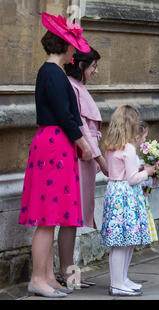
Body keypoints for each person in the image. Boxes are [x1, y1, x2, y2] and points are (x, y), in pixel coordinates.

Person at [18, 12, 92, 298]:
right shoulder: (51, 72)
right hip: (53, 145)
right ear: (64, 44)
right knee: (47, 218)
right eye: (73, 44)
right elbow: (63, 114)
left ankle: (48, 277)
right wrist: (83, 143)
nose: (75, 49)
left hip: (55, 145)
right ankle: (38, 278)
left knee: (52, 216)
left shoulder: (53, 72)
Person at [54, 47, 108, 289]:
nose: (95, 71)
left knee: (73, 220)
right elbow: (83, 129)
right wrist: (101, 160)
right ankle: (67, 274)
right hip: (76, 159)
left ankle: (71, 273)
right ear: (81, 65)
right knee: (69, 218)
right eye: (93, 66)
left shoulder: (79, 87)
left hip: (83, 160)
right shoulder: (72, 87)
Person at [101, 105, 157, 296]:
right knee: (123, 242)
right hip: (126, 196)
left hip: (115, 193)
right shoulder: (129, 149)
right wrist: (148, 172)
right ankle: (117, 283)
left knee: (124, 241)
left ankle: (122, 279)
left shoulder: (112, 147)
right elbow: (132, 178)